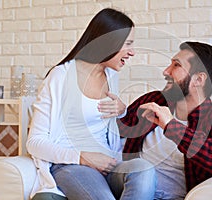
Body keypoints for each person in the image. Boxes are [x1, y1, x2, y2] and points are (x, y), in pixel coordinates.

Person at [26, 8, 156, 200]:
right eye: (127, 44)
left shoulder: (111, 75)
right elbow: (34, 143)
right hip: (72, 166)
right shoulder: (61, 77)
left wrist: (121, 111)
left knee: (144, 169)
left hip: (109, 163)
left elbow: (103, 122)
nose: (132, 52)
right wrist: (82, 157)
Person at [116, 41, 212, 199]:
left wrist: (172, 127)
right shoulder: (155, 100)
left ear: (198, 79)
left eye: (176, 65)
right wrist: (118, 113)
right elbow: (117, 131)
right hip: (125, 187)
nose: (166, 71)